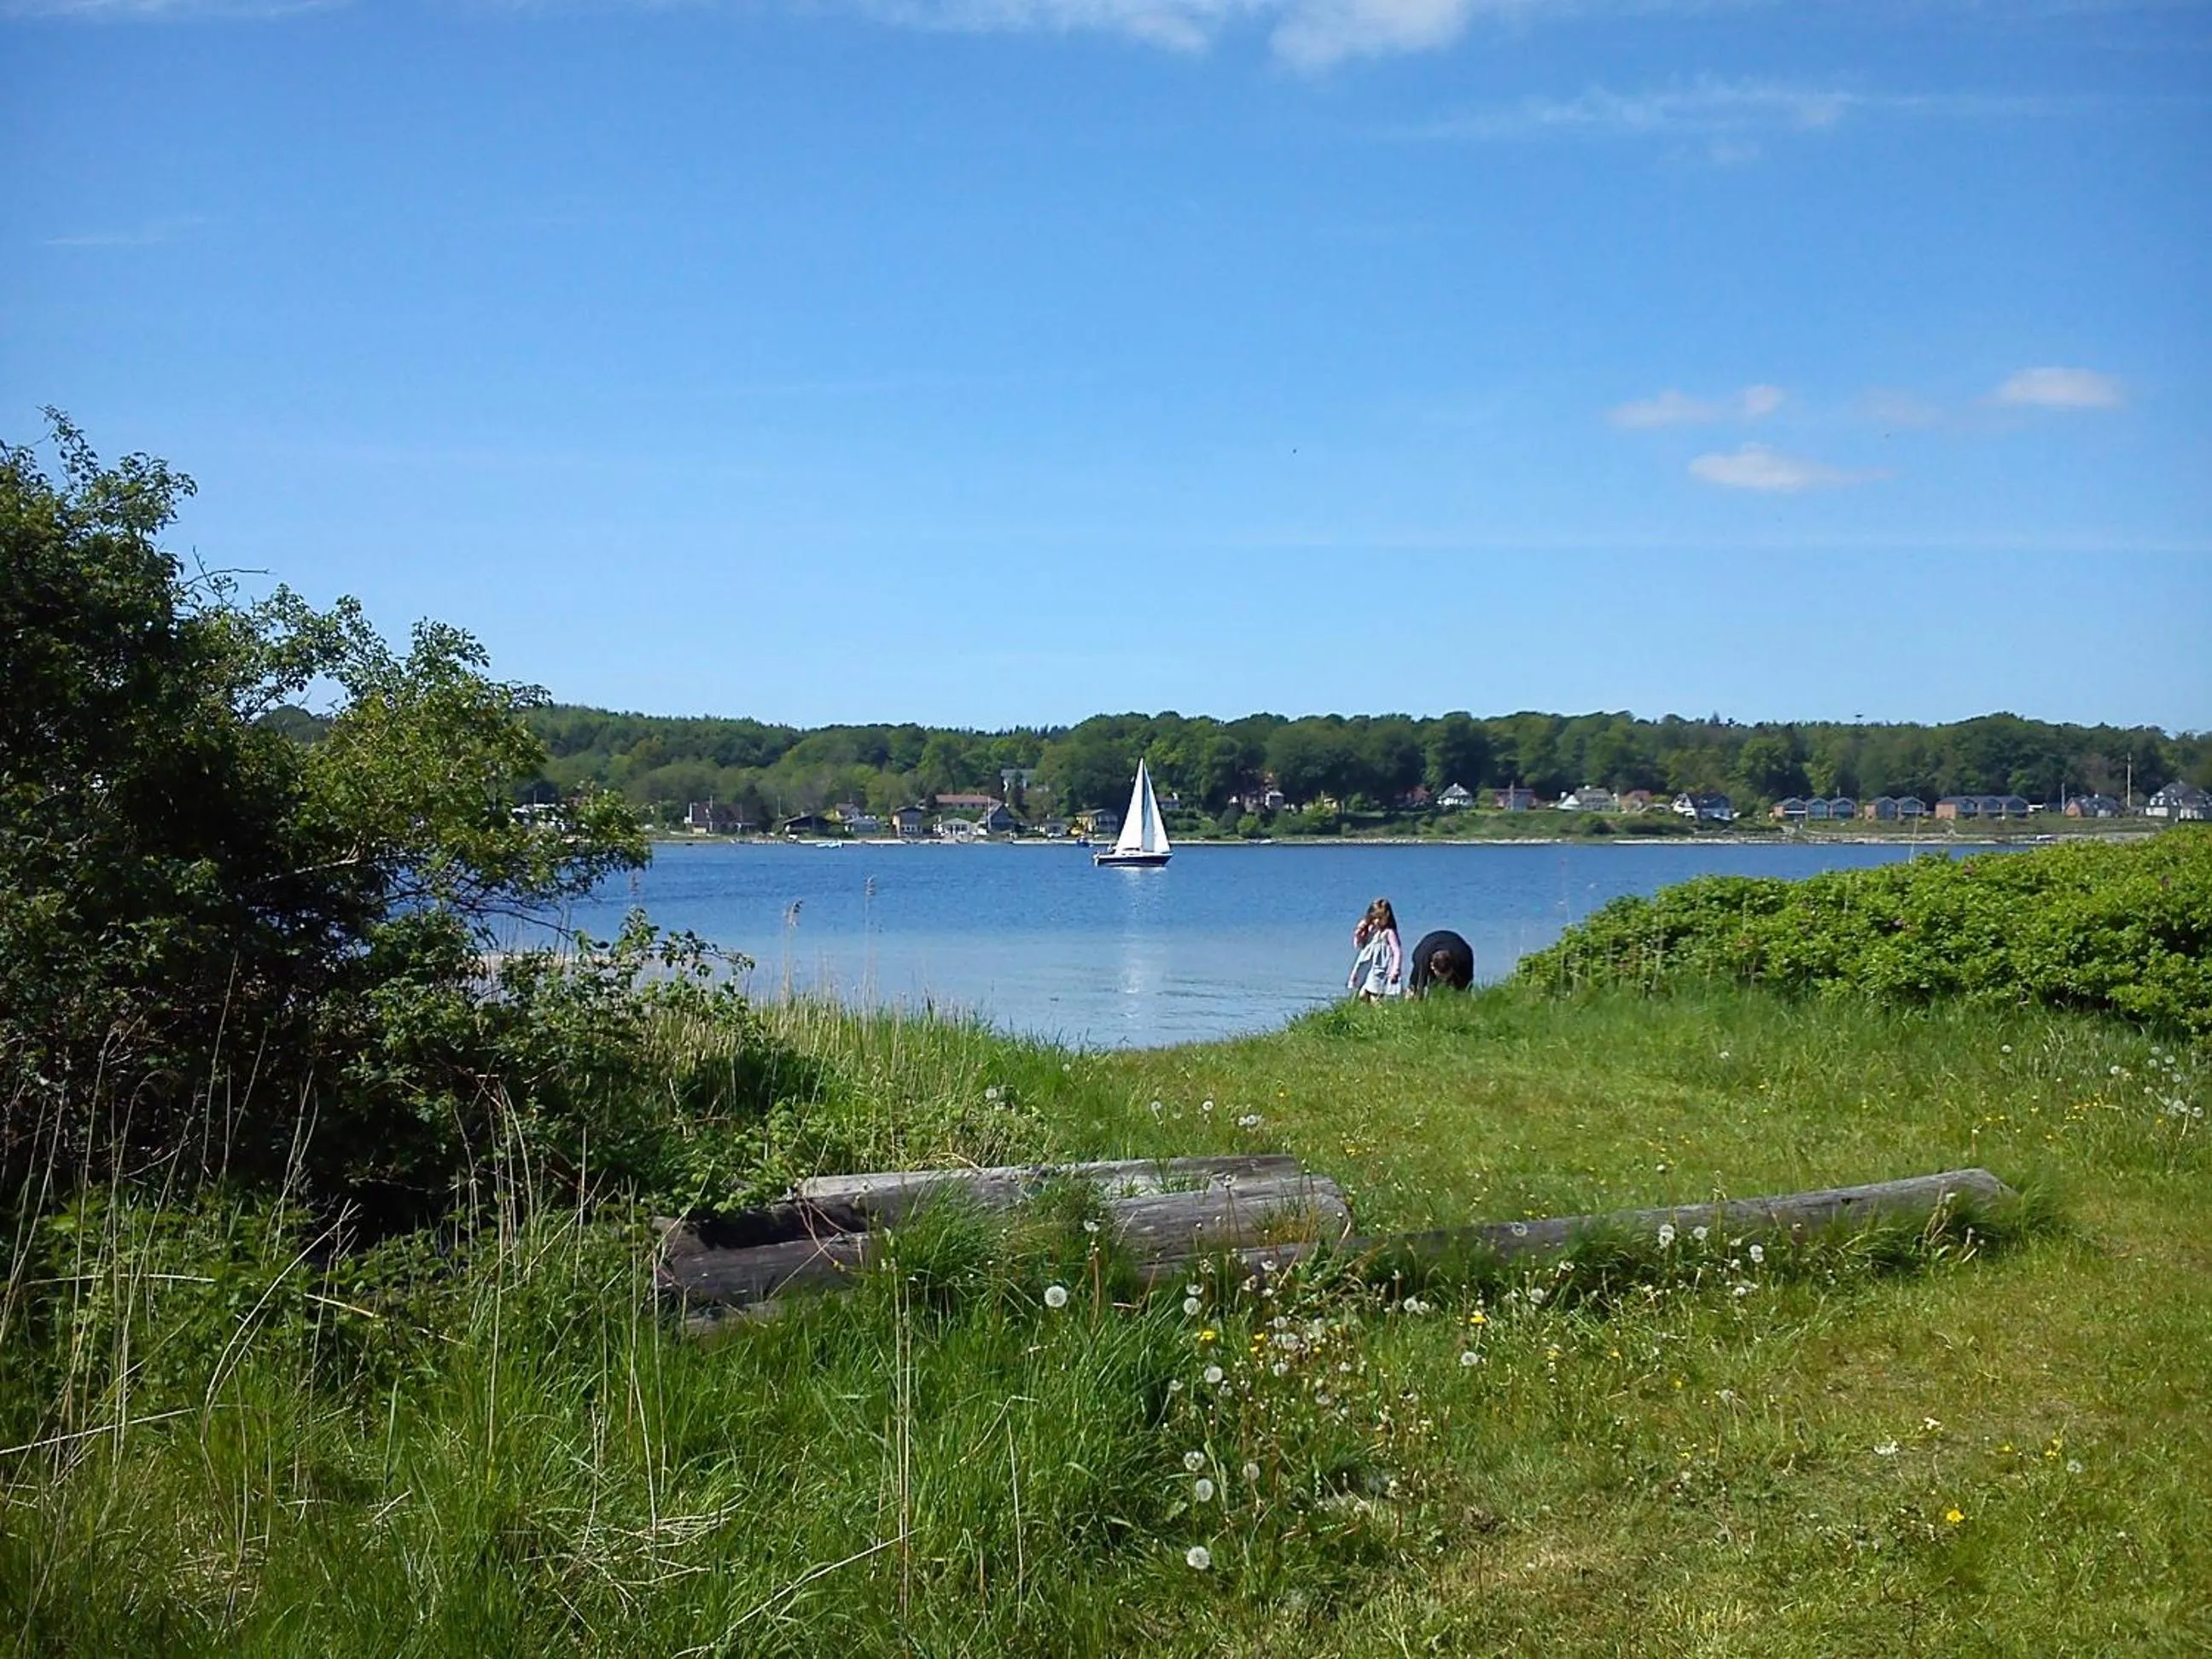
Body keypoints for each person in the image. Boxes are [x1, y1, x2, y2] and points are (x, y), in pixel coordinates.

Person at [1348, 898, 1403, 1001]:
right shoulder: (1371, 930)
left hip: (1380, 968)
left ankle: (1380, 1014)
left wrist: (1395, 969)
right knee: (1362, 994)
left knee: (1375, 996)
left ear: (1387, 916)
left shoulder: (1389, 932)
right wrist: (1359, 931)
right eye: (1374, 918)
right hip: (1368, 966)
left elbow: (1397, 951)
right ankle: (1366, 1013)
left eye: (1380, 918)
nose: (1377, 921)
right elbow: (1359, 944)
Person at [1406, 928, 1475, 996]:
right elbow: (1412, 989)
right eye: (1441, 977)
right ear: (1432, 966)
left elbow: (1467, 988)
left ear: (1452, 967)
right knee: (1419, 989)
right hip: (1427, 944)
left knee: (1461, 988)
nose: (1444, 981)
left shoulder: (1464, 958)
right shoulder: (1420, 960)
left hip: (1458, 945)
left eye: (1446, 977)